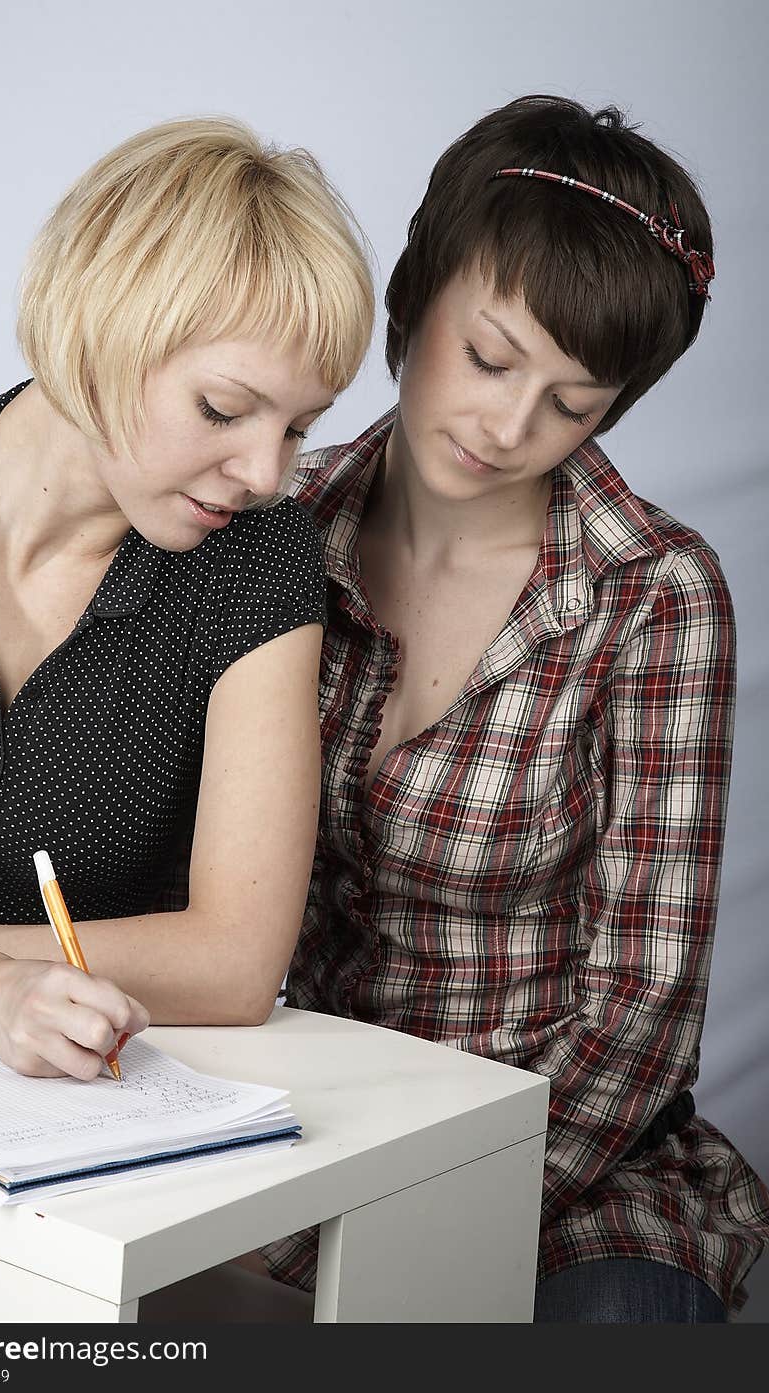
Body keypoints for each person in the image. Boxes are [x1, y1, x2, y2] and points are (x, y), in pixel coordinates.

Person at [256, 95, 769, 1322]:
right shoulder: (272, 528)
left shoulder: (653, 593)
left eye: (572, 403)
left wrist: (426, 1209)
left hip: (568, 1165)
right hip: (277, 1144)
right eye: (489, 357)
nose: (506, 426)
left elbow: (643, 1010)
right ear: (416, 294)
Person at [0, 118, 373, 1083]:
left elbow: (236, 965)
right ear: (100, 329)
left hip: (74, 1127)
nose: (265, 471)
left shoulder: (258, 560)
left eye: (299, 428)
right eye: (225, 410)